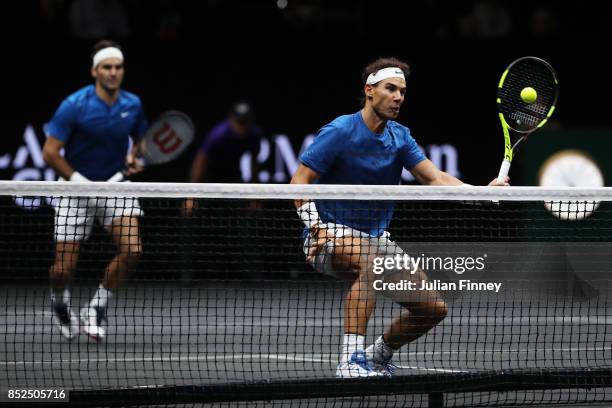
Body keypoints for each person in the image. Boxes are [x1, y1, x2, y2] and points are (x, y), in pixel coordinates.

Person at [290, 57, 509, 378]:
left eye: (402, 92)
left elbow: (434, 179)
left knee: (432, 308)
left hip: (376, 239)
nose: (398, 97)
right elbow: (300, 180)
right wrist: (314, 224)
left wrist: (480, 191)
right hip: (327, 234)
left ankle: (376, 355)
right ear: (369, 90)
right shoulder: (340, 131)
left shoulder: (400, 137)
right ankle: (349, 360)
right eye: (390, 89)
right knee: (371, 262)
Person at [42, 40, 148, 341]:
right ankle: (60, 301)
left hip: (115, 185)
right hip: (75, 189)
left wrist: (133, 157)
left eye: (118, 67)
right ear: (94, 71)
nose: (113, 73)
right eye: (107, 68)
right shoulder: (74, 105)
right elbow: (50, 152)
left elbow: (140, 142)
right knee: (63, 270)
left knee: (133, 250)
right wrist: (80, 181)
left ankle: (97, 306)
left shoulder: (133, 104)